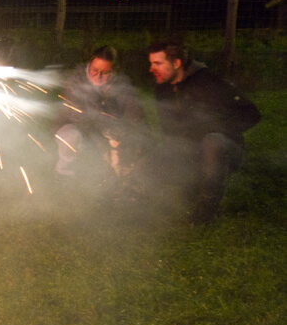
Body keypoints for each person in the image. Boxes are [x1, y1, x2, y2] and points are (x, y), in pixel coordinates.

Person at [148, 41, 260, 223]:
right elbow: (168, 130)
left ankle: (207, 209)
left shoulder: (209, 82)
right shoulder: (162, 88)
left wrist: (213, 127)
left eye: (157, 63)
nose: (151, 69)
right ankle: (130, 195)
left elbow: (251, 114)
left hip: (226, 149)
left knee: (212, 142)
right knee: (165, 148)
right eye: (151, 63)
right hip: (191, 148)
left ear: (176, 63)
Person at [53, 45, 147, 180]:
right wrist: (102, 144)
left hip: (108, 129)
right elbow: (78, 115)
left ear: (113, 71)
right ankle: (64, 174)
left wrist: (135, 137)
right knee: (70, 137)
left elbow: (135, 112)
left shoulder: (120, 83)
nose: (98, 76)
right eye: (94, 70)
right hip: (76, 126)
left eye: (105, 73)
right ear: (89, 66)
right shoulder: (75, 80)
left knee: (122, 150)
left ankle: (118, 179)